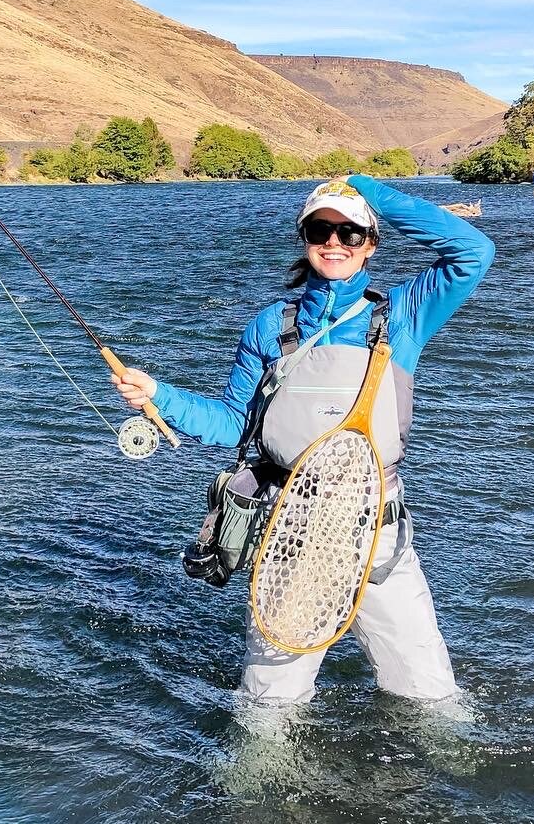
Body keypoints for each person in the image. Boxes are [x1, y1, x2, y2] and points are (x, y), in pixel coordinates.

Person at [112, 175, 494, 706]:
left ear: (371, 243)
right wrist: (158, 393)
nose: (335, 242)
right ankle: (253, 786)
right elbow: (232, 423)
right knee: (271, 702)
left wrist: (369, 190)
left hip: (377, 532)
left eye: (351, 232)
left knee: (431, 695)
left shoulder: (405, 314)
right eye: (321, 229)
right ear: (304, 237)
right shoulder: (270, 328)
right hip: (292, 532)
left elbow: (473, 251)